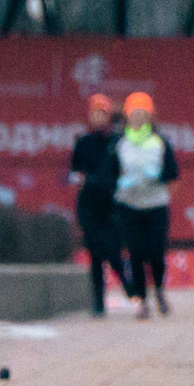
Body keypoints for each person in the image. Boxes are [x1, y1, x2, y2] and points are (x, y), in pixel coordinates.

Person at [114, 92, 179, 319]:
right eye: (134, 113)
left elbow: (172, 172)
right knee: (135, 253)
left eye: (143, 113)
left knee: (156, 252)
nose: (138, 118)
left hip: (155, 204)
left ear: (151, 116)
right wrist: (119, 182)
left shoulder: (160, 142)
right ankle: (141, 299)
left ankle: (159, 289)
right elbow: (110, 172)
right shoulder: (120, 143)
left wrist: (158, 176)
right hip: (129, 205)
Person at [67, 93, 130, 316]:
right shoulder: (83, 143)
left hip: (112, 204)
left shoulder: (118, 142)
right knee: (94, 252)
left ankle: (128, 283)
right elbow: (74, 172)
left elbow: (126, 169)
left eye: (102, 113)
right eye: (94, 113)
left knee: (113, 251)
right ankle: (97, 302)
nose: (98, 117)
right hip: (89, 204)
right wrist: (81, 179)